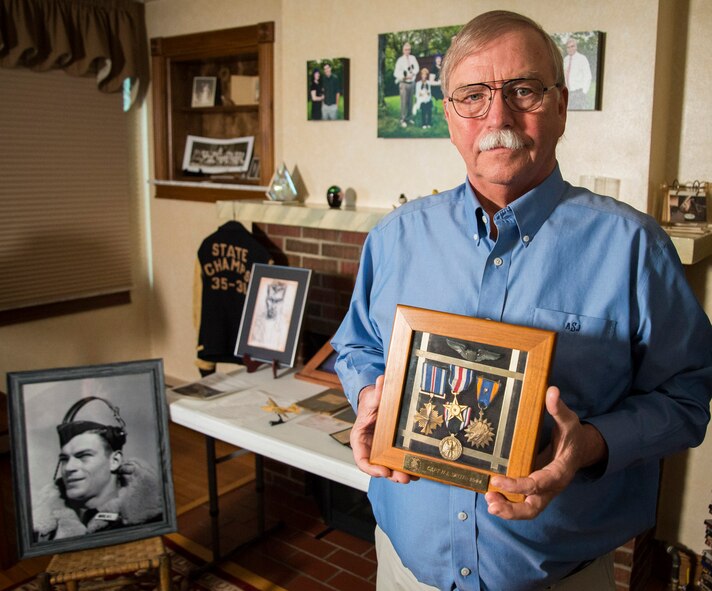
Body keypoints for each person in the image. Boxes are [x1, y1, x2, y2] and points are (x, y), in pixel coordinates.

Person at [332, 9, 712, 591]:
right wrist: (367, 396)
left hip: (562, 579)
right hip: (403, 571)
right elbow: (357, 345)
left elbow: (687, 398)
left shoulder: (635, 248)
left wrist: (589, 444)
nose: (498, 116)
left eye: (524, 91)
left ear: (560, 106)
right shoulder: (394, 237)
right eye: (474, 95)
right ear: (449, 117)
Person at [32, 397, 163, 541]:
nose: (69, 467)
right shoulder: (42, 524)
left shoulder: (155, 516)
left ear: (115, 461)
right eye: (64, 459)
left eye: (84, 456)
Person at [393, 42, 419, 128]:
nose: (407, 51)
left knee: (410, 101)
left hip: (412, 83)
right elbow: (396, 73)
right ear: (403, 50)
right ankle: (403, 119)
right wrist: (404, 77)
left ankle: (409, 118)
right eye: (406, 49)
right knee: (404, 102)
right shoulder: (400, 60)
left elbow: (417, 68)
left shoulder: (413, 58)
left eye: (409, 49)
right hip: (403, 83)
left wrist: (412, 74)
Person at [563, 36, 592, 110]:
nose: (570, 49)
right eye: (568, 47)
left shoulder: (582, 59)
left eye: (572, 46)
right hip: (567, 93)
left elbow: (588, 76)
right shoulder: (565, 60)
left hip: (578, 93)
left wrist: (584, 92)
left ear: (576, 47)